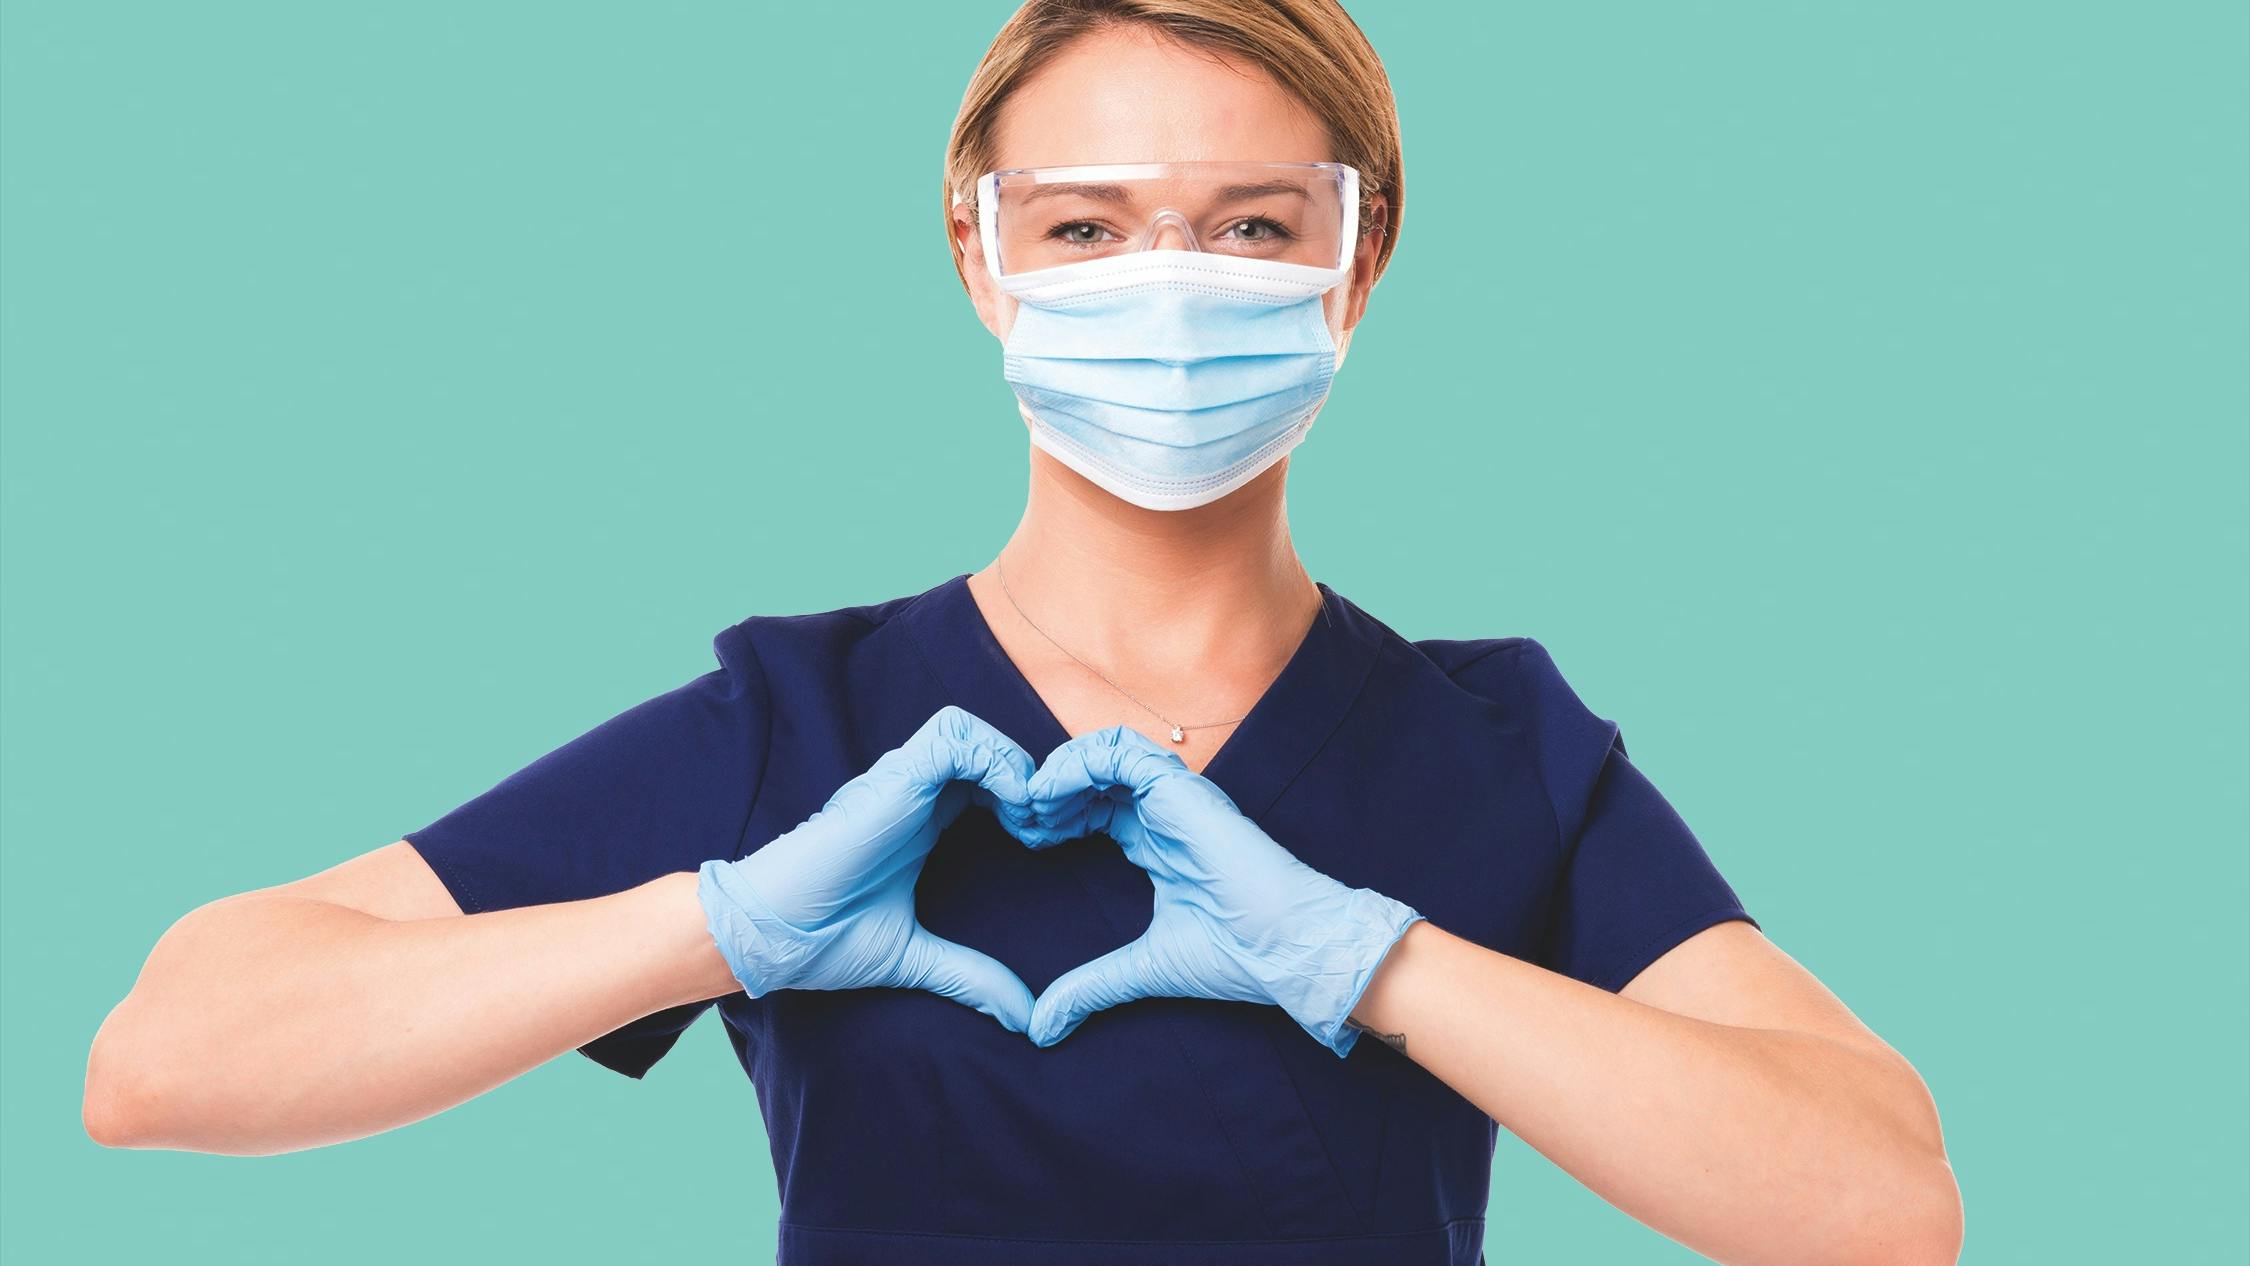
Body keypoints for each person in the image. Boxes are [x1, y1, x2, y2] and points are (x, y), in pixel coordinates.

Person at [81, 3, 1964, 1263]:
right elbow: (164, 1059)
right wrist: (713, 923)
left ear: (1355, 260)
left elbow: (1882, 1201)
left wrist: (1379, 961)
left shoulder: (1491, 745)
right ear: (979, 259)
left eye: (1245, 226)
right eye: (1082, 229)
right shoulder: (797, 724)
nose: (1164, 282)